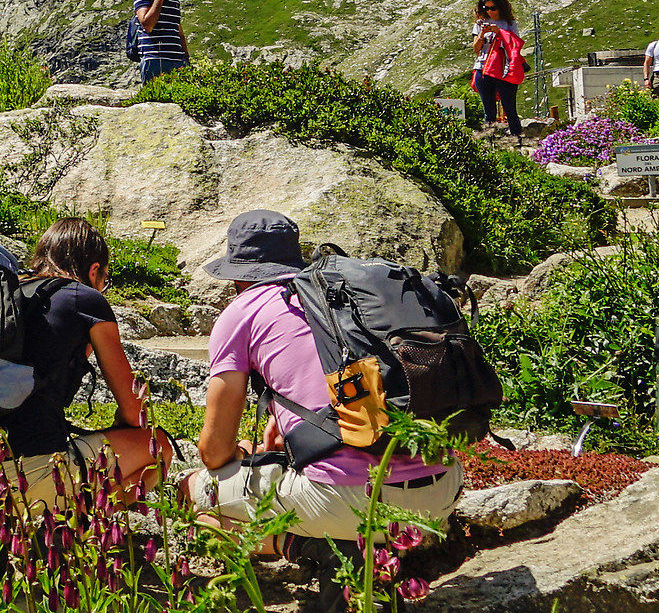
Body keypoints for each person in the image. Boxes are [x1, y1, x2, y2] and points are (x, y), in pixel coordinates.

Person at [178, 211, 463, 539]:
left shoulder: (242, 312)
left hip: (352, 505)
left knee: (192, 493)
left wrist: (244, 452)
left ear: (237, 276)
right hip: (442, 491)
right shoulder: (337, 300)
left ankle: (302, 547)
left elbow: (213, 451)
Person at [0, 218, 170, 511]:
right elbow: (137, 411)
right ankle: (83, 526)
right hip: (32, 477)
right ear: (94, 270)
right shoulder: (84, 299)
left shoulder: (7, 295)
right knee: (158, 445)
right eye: (105, 279)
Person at [469, 0, 525, 140]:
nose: (489, 11)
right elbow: (476, 49)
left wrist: (499, 32)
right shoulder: (479, 23)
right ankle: (490, 142)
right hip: (483, 68)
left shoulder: (509, 23)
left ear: (500, 7)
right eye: (485, 8)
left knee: (510, 108)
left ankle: (517, 140)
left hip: (503, 70)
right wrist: (481, 35)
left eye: (492, 8)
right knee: (489, 111)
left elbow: (515, 45)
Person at [134, 0, 193, 80]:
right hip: (154, 59)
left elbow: (178, 31)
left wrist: (186, 59)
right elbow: (147, 25)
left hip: (177, 60)